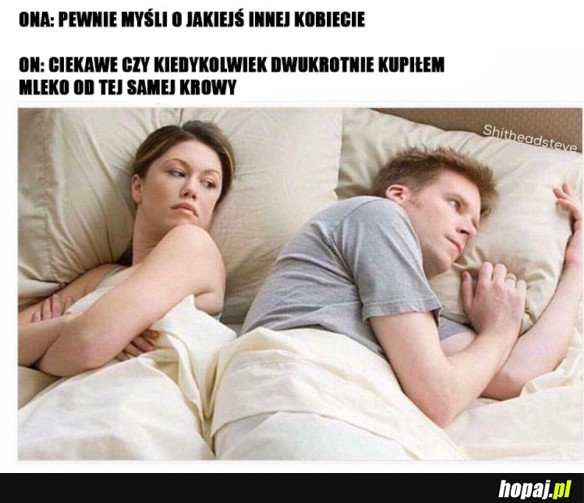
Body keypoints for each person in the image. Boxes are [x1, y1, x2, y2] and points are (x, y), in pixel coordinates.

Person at [239, 147, 582, 431]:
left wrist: (577, 266)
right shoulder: (376, 214)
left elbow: (514, 373)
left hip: (345, 410)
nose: (468, 229)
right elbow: (440, 397)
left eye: (474, 224)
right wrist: (498, 332)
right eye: (455, 204)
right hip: (298, 390)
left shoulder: (412, 320)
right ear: (399, 195)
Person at [18, 121, 236, 377]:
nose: (191, 190)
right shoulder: (102, 277)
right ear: (137, 187)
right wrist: (68, 325)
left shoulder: (194, 245)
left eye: (208, 183)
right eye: (177, 172)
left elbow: (87, 345)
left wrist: (40, 347)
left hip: (138, 394)